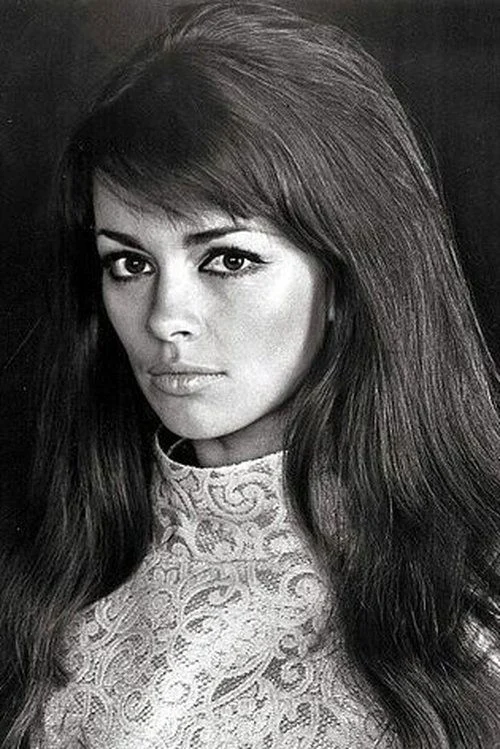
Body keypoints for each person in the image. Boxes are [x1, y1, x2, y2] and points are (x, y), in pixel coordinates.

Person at [1, 1, 499, 746]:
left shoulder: (474, 604)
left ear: (348, 273)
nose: (165, 317)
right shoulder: (51, 566)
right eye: (129, 263)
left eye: (228, 259)